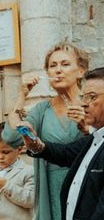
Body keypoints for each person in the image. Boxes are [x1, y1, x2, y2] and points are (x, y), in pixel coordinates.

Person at [2, 42, 89, 220]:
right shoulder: (42, 110)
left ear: (81, 71)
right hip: (51, 190)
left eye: (65, 64)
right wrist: (21, 95)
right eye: (52, 66)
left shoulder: (92, 105)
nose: (58, 70)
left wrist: (88, 128)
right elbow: (10, 138)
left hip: (86, 186)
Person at [18, 67, 104, 220]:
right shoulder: (95, 138)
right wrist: (35, 144)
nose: (84, 104)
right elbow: (64, 153)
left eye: (92, 97)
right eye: (84, 97)